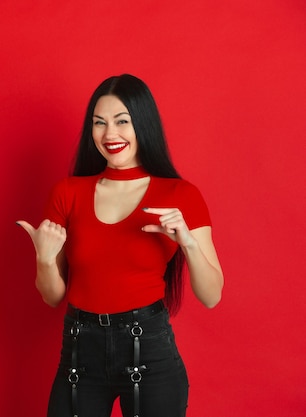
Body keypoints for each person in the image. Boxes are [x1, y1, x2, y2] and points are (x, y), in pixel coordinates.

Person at [16, 74, 223, 417]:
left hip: (150, 351)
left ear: (143, 123)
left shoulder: (181, 195)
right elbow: (53, 296)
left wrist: (188, 242)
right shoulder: (68, 193)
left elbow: (212, 296)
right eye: (99, 123)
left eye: (122, 121)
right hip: (81, 350)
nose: (110, 134)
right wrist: (44, 258)